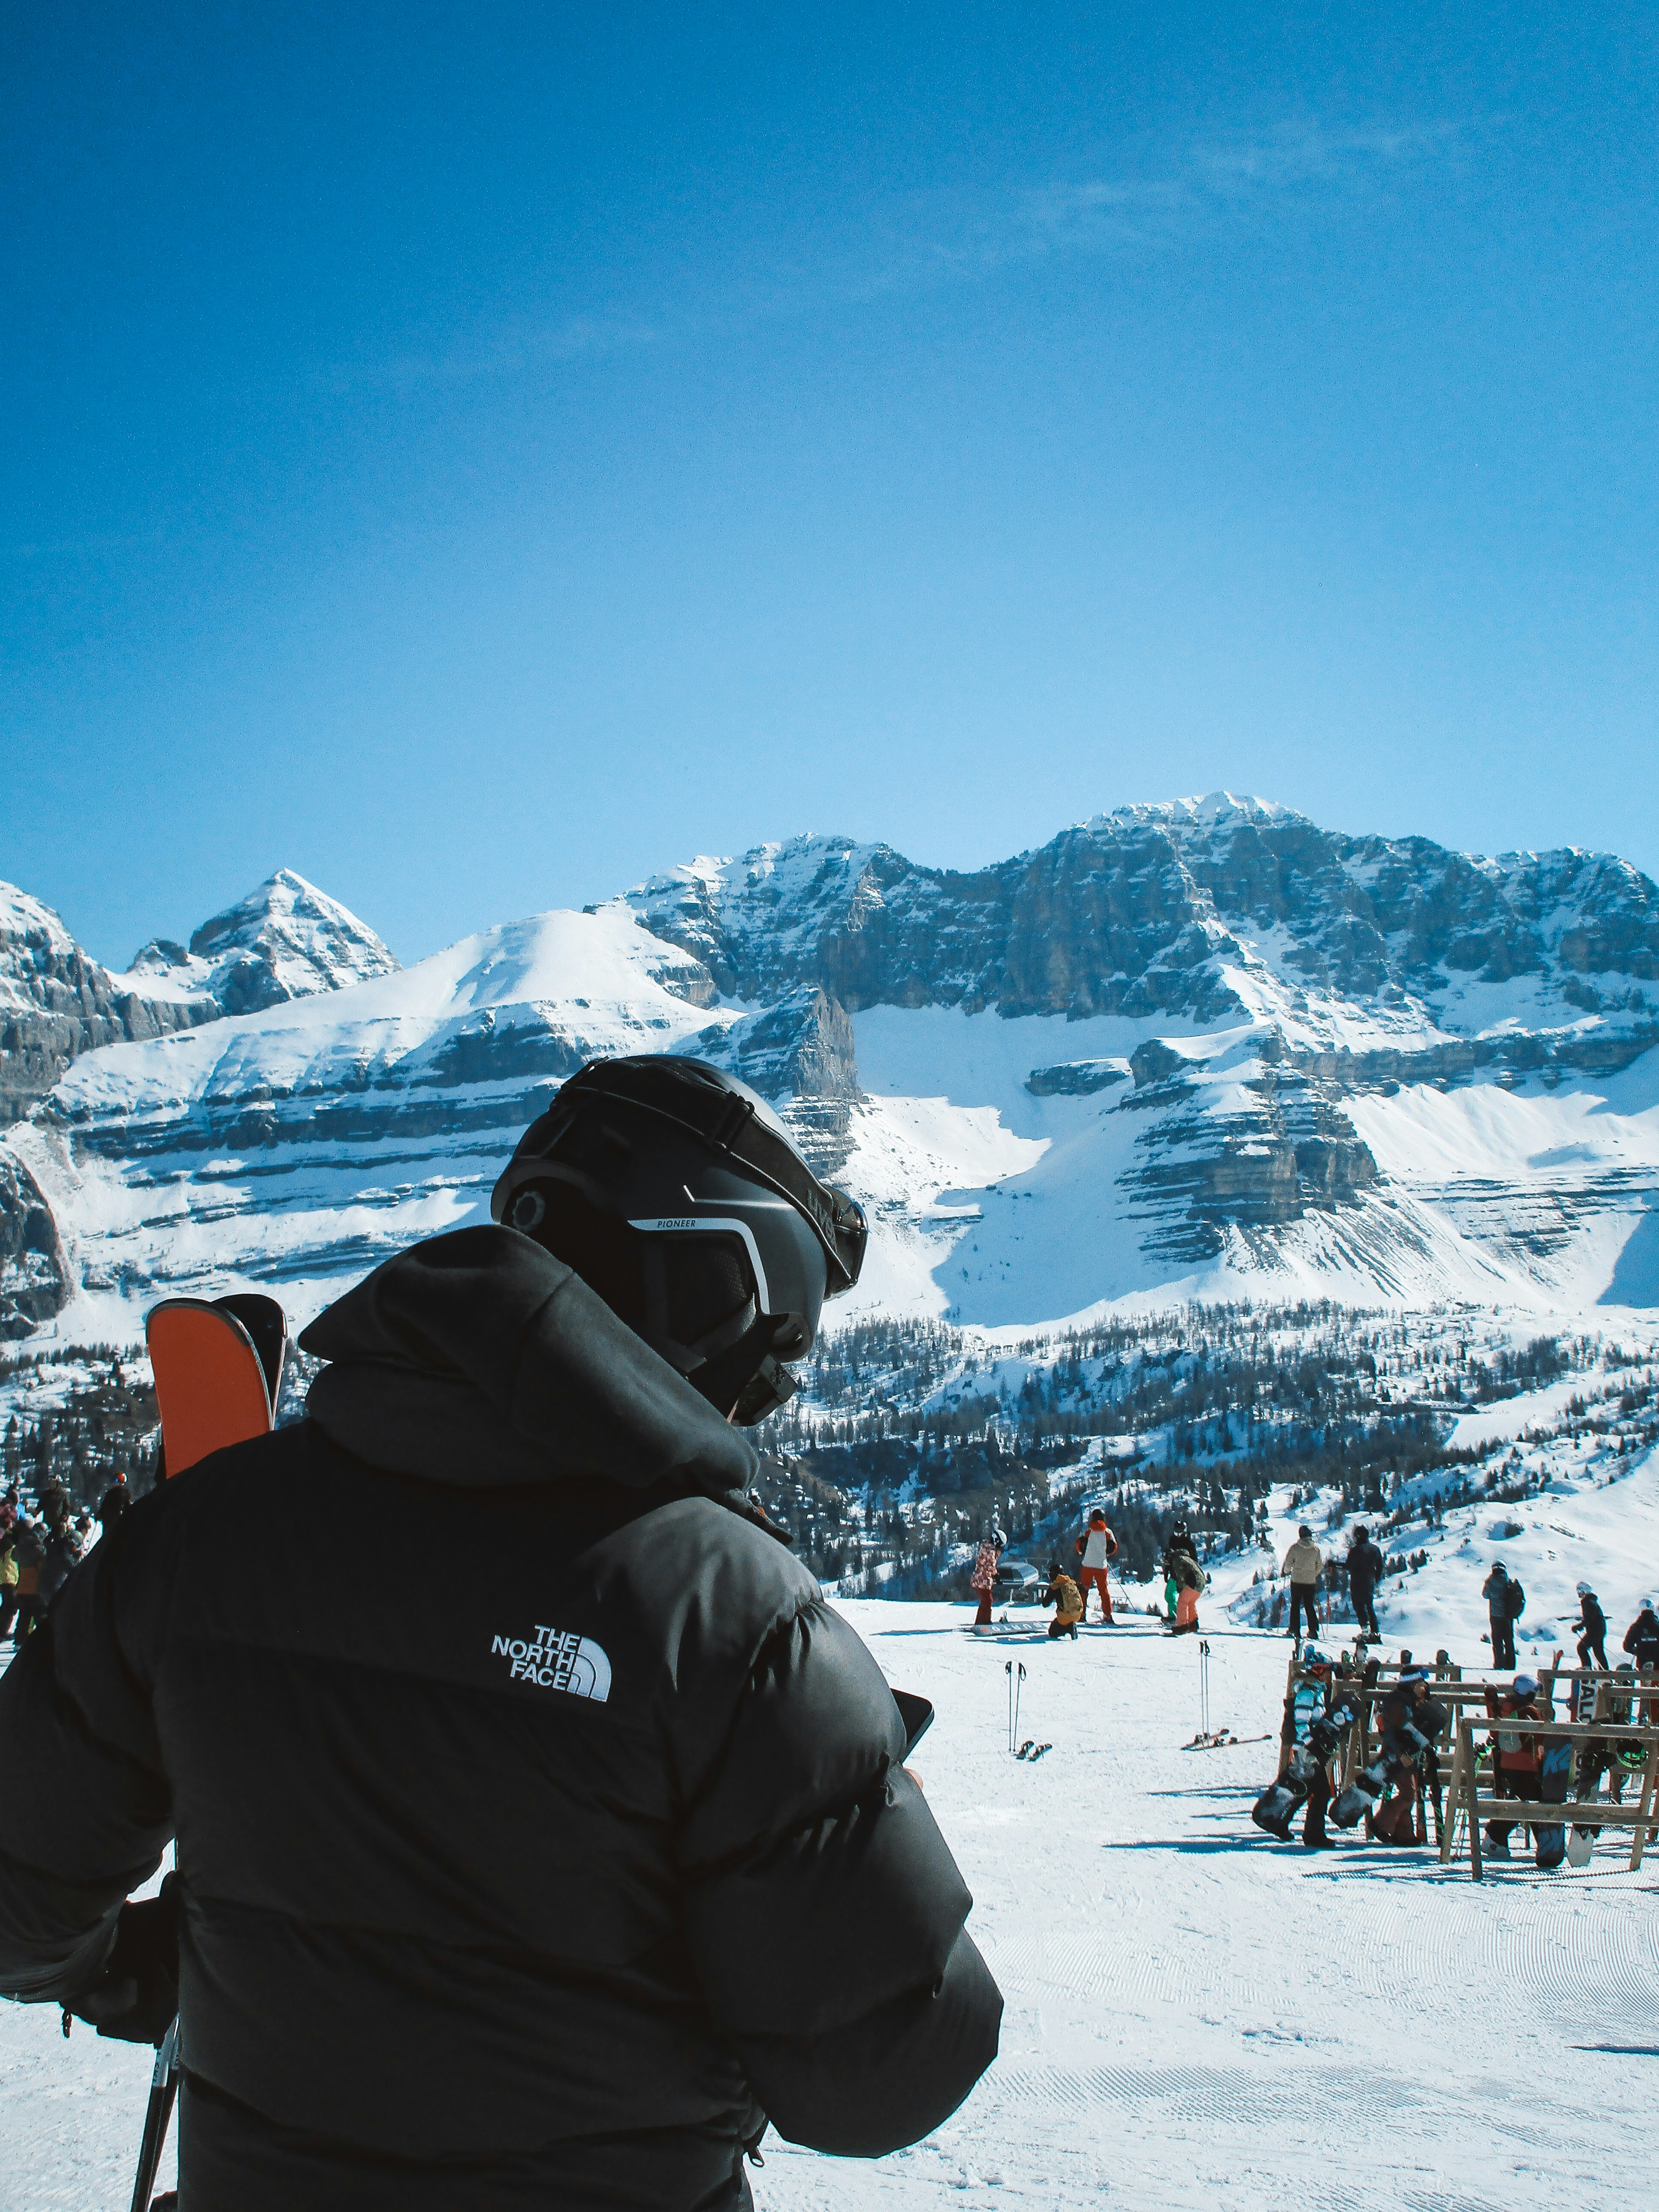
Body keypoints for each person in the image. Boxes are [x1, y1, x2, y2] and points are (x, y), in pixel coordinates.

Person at [0, 1056, 1002, 2211]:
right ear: (711, 1295)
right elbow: (891, 2070)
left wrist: (144, 1969)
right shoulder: (733, 1614)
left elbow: (19, 1900)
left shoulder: (202, 1534)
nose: (759, 1397)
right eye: (776, 1354)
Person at [1482, 1671, 1544, 1858]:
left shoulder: (1505, 1707)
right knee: (1529, 1804)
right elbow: (1541, 1736)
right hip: (1526, 1764)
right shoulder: (1528, 1711)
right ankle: (1495, 1837)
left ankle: (1544, 1842)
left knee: (1527, 1802)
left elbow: (1495, 1729)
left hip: (1508, 1762)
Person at [1073, 1509, 1117, 1624]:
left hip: (1087, 1564)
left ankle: (1081, 1615)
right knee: (1103, 1590)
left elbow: (1079, 1543)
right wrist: (1106, 1553)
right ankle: (1107, 1615)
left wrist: (1082, 1553)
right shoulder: (1108, 1532)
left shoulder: (1087, 1531)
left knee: (1084, 1590)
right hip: (1102, 1565)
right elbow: (1113, 1547)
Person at [1281, 1525, 1323, 1642]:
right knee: (1309, 1605)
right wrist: (1313, 1574)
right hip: (1310, 1582)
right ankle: (1313, 1630)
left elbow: (1288, 1565)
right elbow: (1320, 1565)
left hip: (1297, 1581)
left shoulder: (1295, 1548)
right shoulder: (1316, 1549)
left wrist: (1286, 1571)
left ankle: (1295, 1630)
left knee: (1295, 1605)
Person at [1346, 1526, 1385, 1641]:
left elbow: (1349, 1566)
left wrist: (1334, 1565)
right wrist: (1375, 1580)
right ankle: (1375, 1632)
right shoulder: (1375, 1549)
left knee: (1359, 1606)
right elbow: (1380, 1567)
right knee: (1369, 1606)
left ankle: (1366, 1631)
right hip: (1370, 1581)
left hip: (1358, 1581)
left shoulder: (1356, 1550)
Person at [1482, 1561, 1520, 1670]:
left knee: (1497, 1641)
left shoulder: (1491, 1582)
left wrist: (1487, 1583)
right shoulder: (1508, 1581)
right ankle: (1511, 1665)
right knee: (1509, 1640)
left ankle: (1499, 1664)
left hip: (1495, 1616)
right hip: (1508, 1615)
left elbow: (1485, 1595)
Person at [971, 1526, 1006, 1629]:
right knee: (987, 1600)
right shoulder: (991, 1551)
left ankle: (981, 1621)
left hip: (981, 1578)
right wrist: (997, 1576)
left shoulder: (986, 1548)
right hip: (983, 1580)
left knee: (986, 1600)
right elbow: (990, 1566)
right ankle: (983, 1623)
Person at [1574, 1583, 1608, 1671]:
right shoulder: (1593, 1601)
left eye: (1579, 1590)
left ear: (1584, 1591)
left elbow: (1589, 1618)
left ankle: (1587, 1669)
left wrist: (1579, 1626)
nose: (1578, 1593)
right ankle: (1605, 1673)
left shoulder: (1586, 1601)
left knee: (1582, 1648)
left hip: (1594, 1631)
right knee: (1599, 1653)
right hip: (1600, 1630)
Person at [1045, 1567, 1084, 1641]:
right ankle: (1071, 1625)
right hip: (1078, 1614)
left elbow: (1045, 1604)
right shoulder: (1073, 1582)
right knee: (1067, 1619)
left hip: (1064, 1617)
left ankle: (1068, 1627)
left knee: (1052, 1633)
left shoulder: (1055, 1587)